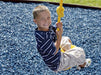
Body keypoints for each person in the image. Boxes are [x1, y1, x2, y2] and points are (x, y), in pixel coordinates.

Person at [33, 5, 91, 72]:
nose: (46, 21)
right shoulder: (43, 39)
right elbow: (54, 51)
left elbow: (53, 30)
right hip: (57, 63)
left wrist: (58, 27)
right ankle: (82, 64)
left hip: (56, 50)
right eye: (42, 19)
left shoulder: (44, 28)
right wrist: (59, 36)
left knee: (66, 39)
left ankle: (70, 56)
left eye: (48, 17)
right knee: (80, 52)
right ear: (35, 21)